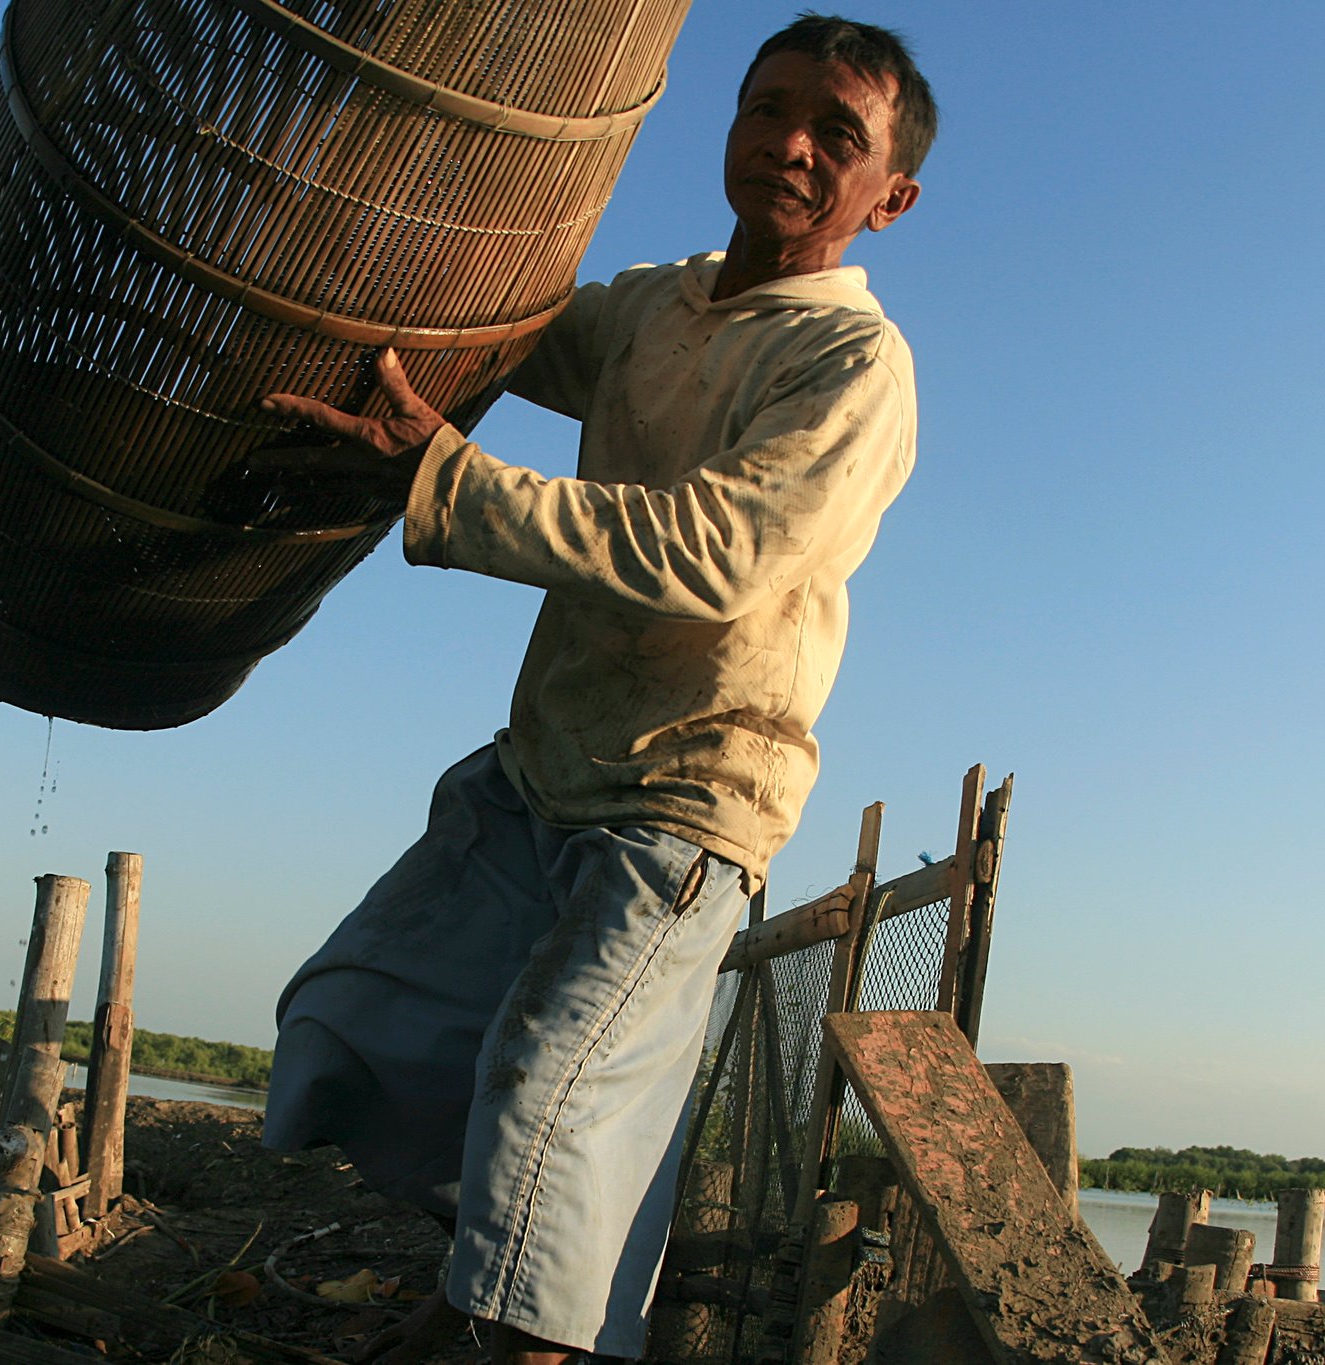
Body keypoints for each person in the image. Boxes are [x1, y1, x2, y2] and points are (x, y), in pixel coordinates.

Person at [259, 15, 936, 1364]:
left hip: (680, 813)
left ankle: (529, 1308)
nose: (790, 143)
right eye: (768, 105)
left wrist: (443, 475)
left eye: (836, 133)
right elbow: (492, 331)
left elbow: (712, 554)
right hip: (541, 773)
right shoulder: (653, 304)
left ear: (890, 196)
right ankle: (512, 1277)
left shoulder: (854, 370)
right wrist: (373, 230)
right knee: (345, 1027)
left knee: (544, 1120)